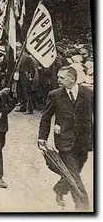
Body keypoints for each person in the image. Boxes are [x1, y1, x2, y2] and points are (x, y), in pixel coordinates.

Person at [38, 66, 93, 211]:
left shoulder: (89, 94)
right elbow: (45, 118)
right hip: (64, 142)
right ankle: (83, 208)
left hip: (83, 142)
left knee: (74, 172)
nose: (57, 79)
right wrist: (42, 138)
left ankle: (60, 188)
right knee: (75, 177)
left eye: (61, 78)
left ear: (72, 79)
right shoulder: (54, 95)